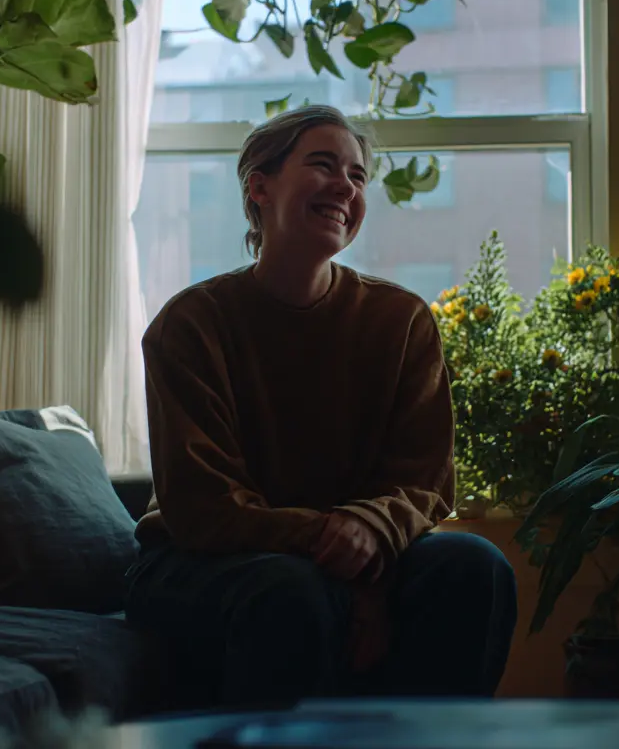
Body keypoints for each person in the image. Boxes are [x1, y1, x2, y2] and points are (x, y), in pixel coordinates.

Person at [125, 104, 518, 707]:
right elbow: (204, 509)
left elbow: (425, 481)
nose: (346, 186)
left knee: (474, 564)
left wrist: (370, 533)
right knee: (291, 588)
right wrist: (346, 555)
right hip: (199, 559)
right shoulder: (191, 325)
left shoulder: (401, 320)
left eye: (359, 176)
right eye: (323, 165)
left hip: (345, 554)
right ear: (260, 186)